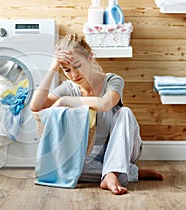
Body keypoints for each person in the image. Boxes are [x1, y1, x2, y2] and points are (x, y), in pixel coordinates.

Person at [30, 33, 163, 195]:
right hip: (88, 156)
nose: (73, 75)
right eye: (66, 69)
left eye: (77, 65)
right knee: (68, 169)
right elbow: (36, 106)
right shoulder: (69, 87)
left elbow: (106, 104)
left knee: (125, 112)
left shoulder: (113, 80)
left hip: (122, 147)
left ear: (90, 58)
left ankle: (114, 172)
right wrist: (52, 67)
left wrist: (67, 100)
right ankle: (122, 172)